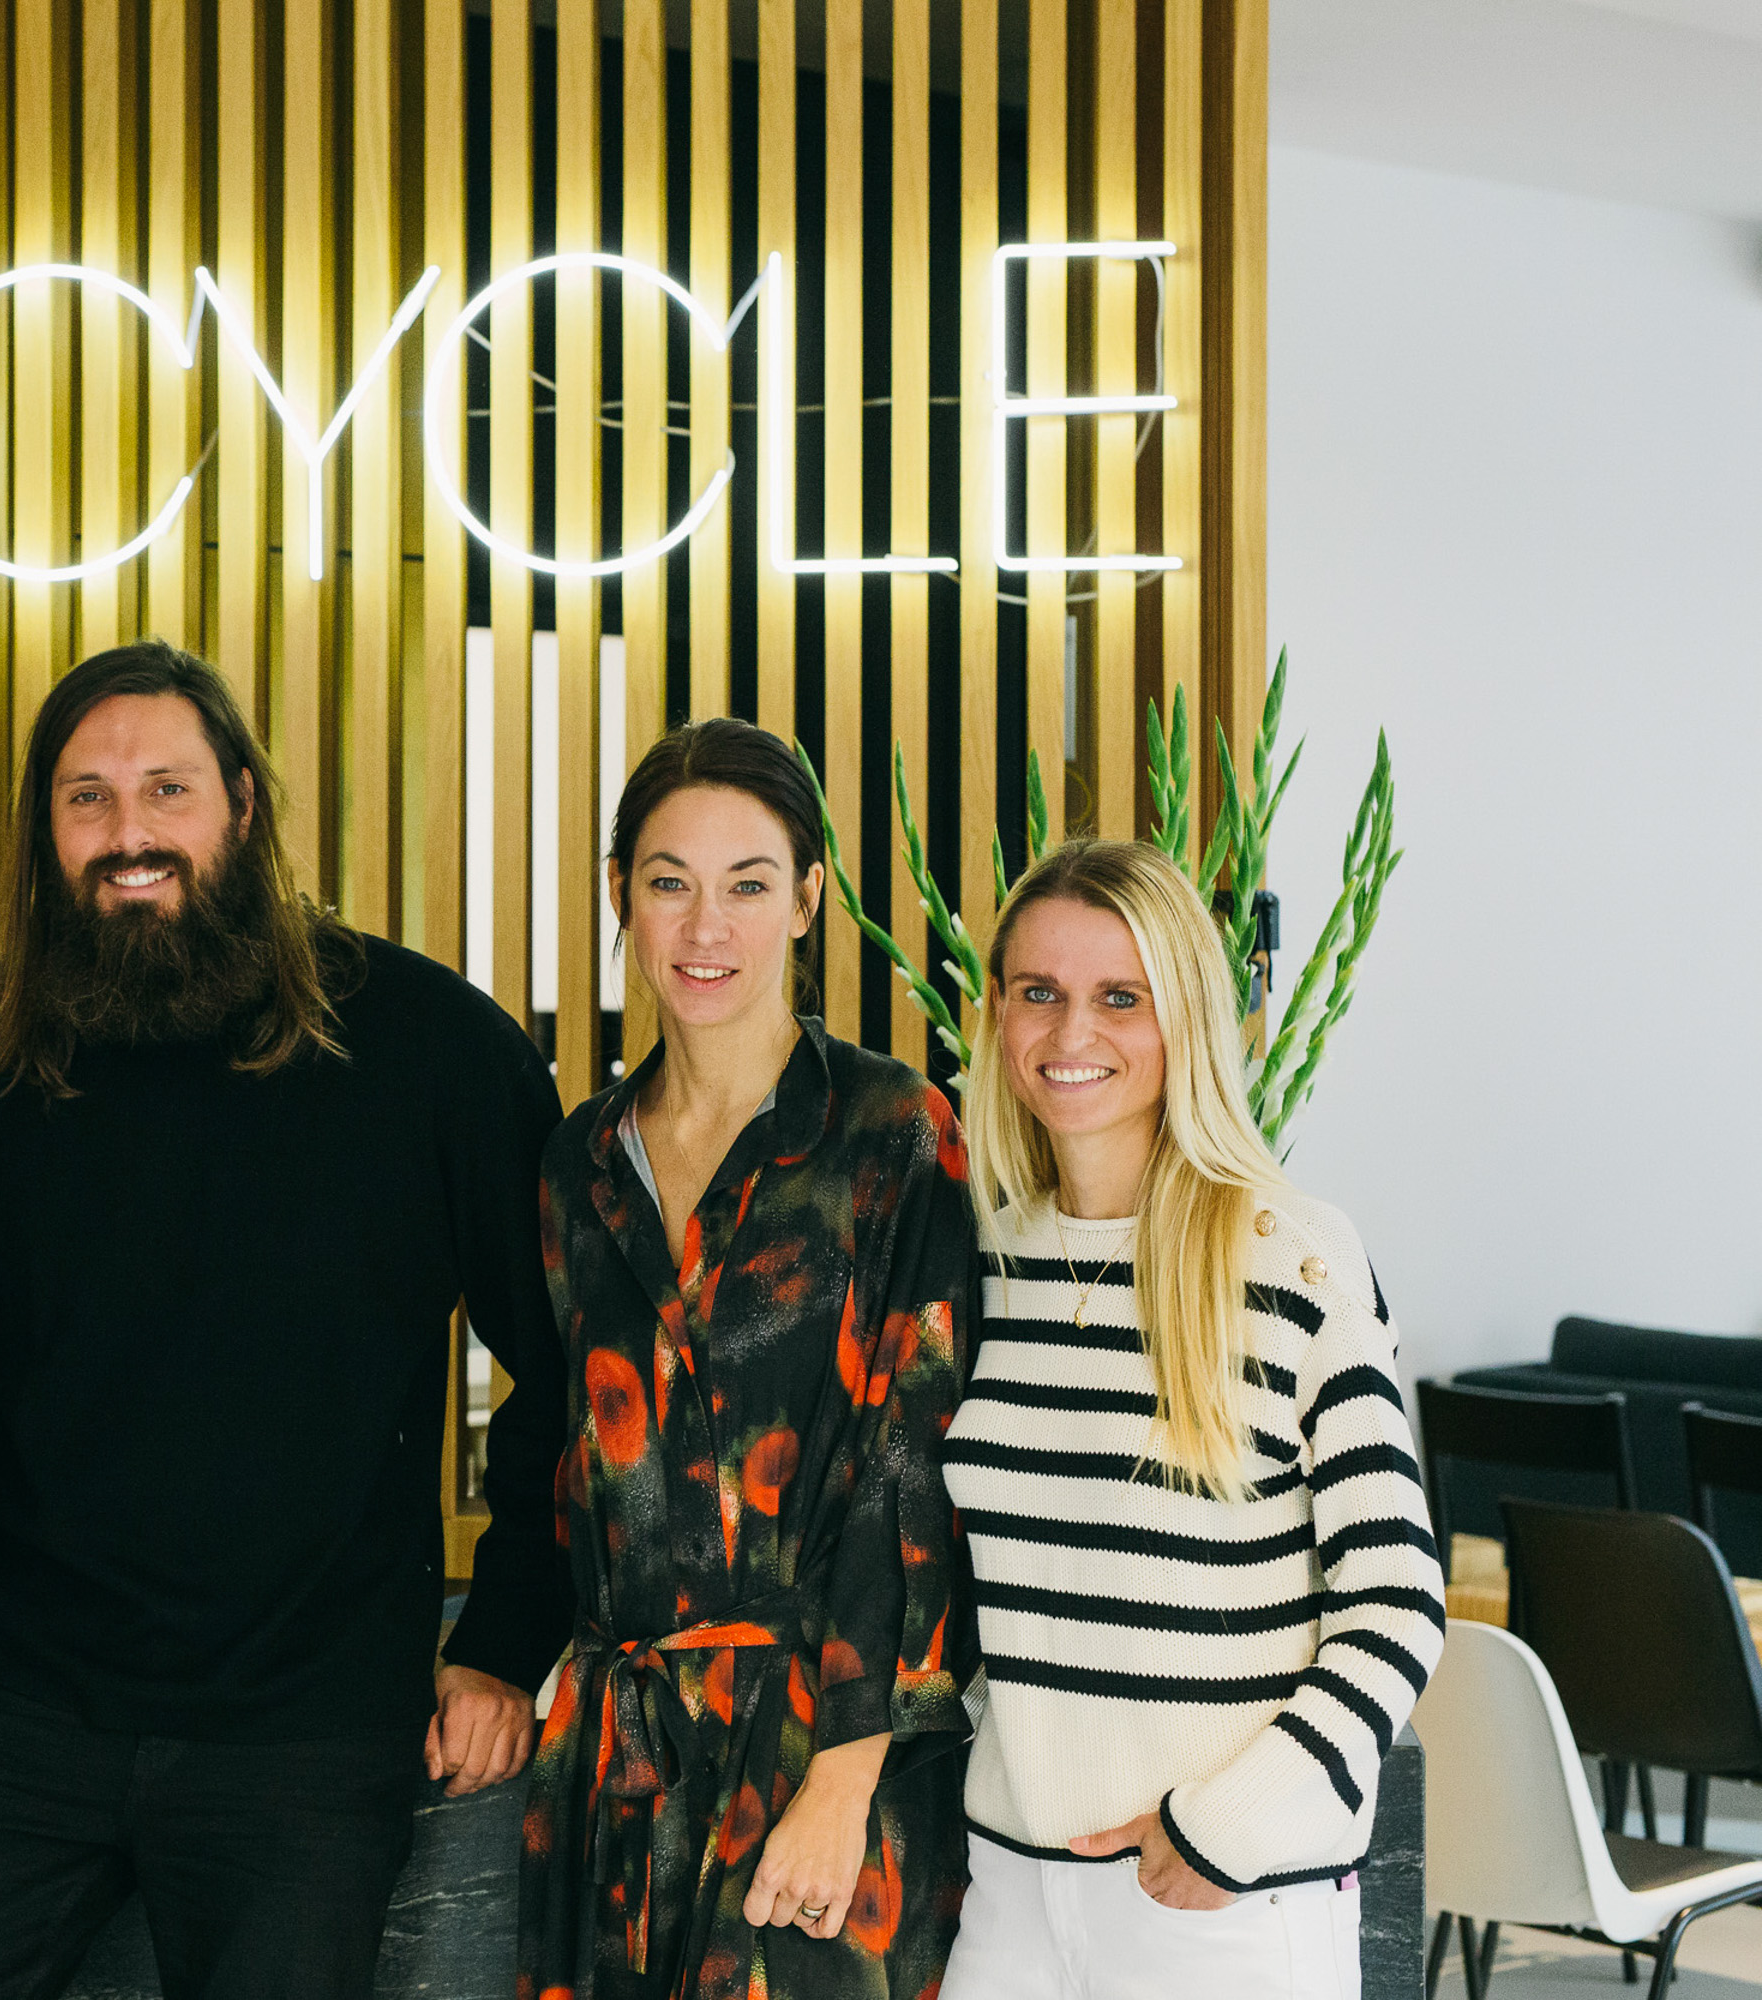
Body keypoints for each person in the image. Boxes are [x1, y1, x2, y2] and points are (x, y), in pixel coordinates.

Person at [0, 639, 573, 2000]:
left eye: (167, 790)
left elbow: (572, 1368)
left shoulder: (430, 1051)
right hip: (21, 1709)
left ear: (241, 803)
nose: (131, 834)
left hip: (304, 1733)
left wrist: (503, 1640)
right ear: (46, 831)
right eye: (88, 798)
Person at [520, 719, 979, 2000]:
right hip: (615, 1763)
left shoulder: (892, 1132)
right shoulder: (579, 1163)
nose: (704, 926)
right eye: (668, 881)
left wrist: (845, 1775)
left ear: (810, 898)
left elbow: (915, 1467)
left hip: (827, 1758)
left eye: (748, 884)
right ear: (622, 896)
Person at [939, 839, 1443, 2000]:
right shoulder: (990, 1260)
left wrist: (1236, 1823)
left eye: (1123, 997)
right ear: (1000, 1016)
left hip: (1221, 1895)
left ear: (1188, 1019)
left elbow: (1398, 1593)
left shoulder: (1294, 1255)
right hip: (1013, 1887)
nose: (1074, 1035)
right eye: (1040, 994)